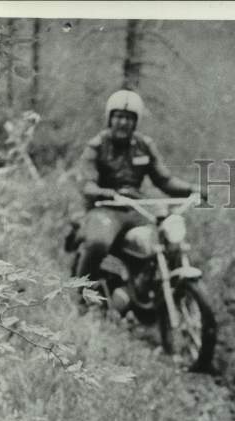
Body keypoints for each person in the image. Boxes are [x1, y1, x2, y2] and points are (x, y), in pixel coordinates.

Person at [72, 89, 202, 286]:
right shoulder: (97, 145)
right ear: (110, 118)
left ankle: (161, 289)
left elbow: (164, 180)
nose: (123, 123)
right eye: (118, 117)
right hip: (105, 208)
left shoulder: (144, 145)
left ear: (135, 122)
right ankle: (80, 292)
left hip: (137, 208)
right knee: (98, 243)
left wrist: (193, 189)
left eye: (129, 118)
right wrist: (105, 192)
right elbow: (86, 183)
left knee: (169, 238)